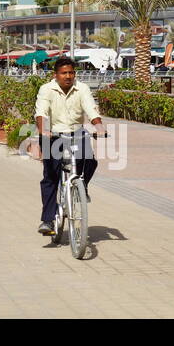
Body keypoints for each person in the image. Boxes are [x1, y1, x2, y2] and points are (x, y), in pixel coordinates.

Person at [34, 56, 106, 237]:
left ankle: (81, 187)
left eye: (71, 72)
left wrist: (98, 126)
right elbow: (41, 112)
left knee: (90, 162)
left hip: (76, 133)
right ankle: (48, 220)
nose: (68, 76)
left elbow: (90, 109)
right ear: (56, 75)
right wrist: (43, 130)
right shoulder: (46, 89)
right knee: (50, 176)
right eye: (64, 73)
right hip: (52, 134)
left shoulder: (82, 88)